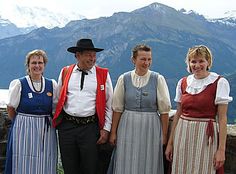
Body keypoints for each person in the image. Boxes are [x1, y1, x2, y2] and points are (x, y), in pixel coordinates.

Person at [165, 45, 233, 174]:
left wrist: (221, 150)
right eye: (193, 61)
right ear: (189, 64)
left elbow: (222, 118)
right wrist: (170, 143)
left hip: (206, 137)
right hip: (182, 135)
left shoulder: (219, 82)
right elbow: (178, 114)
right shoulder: (183, 82)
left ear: (208, 62)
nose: (197, 65)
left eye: (201, 61)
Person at [108, 44, 171, 174]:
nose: (146, 63)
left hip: (151, 127)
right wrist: (113, 132)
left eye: (149, 59)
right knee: (126, 158)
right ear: (133, 60)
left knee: (149, 160)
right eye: (143, 59)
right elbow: (117, 108)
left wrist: (164, 135)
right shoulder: (123, 79)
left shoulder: (158, 79)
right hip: (127, 125)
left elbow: (164, 111)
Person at [52, 38, 113, 174]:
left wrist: (106, 129)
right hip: (67, 128)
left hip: (90, 129)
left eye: (94, 55)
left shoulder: (103, 74)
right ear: (77, 55)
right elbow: (57, 99)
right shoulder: (65, 72)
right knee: (69, 167)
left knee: (90, 168)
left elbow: (109, 104)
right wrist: (58, 122)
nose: (92, 59)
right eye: (88, 55)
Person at [5, 49, 58, 174]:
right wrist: (21, 122)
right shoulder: (19, 84)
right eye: (33, 63)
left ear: (44, 65)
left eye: (40, 62)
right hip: (23, 129)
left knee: (45, 160)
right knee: (22, 160)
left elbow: (55, 108)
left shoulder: (52, 85)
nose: (37, 66)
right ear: (28, 65)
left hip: (46, 130)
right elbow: (11, 108)